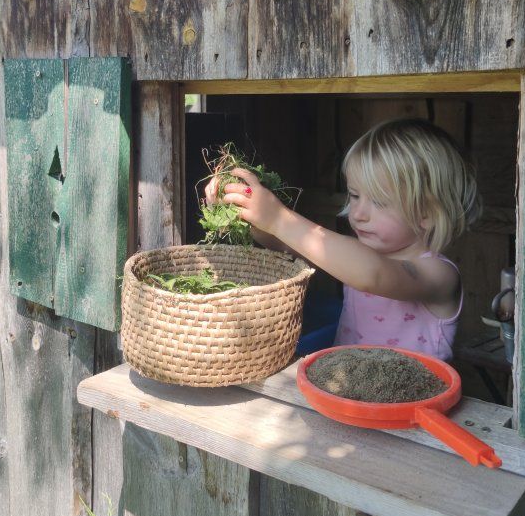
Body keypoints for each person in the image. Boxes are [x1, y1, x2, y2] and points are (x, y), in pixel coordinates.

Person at [205, 119, 480, 360]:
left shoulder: (439, 275)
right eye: (355, 195)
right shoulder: (358, 254)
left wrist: (279, 219)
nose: (358, 213)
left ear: (427, 214)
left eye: (380, 202)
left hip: (407, 412)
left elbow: (373, 274)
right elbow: (291, 246)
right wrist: (251, 215)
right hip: (346, 395)